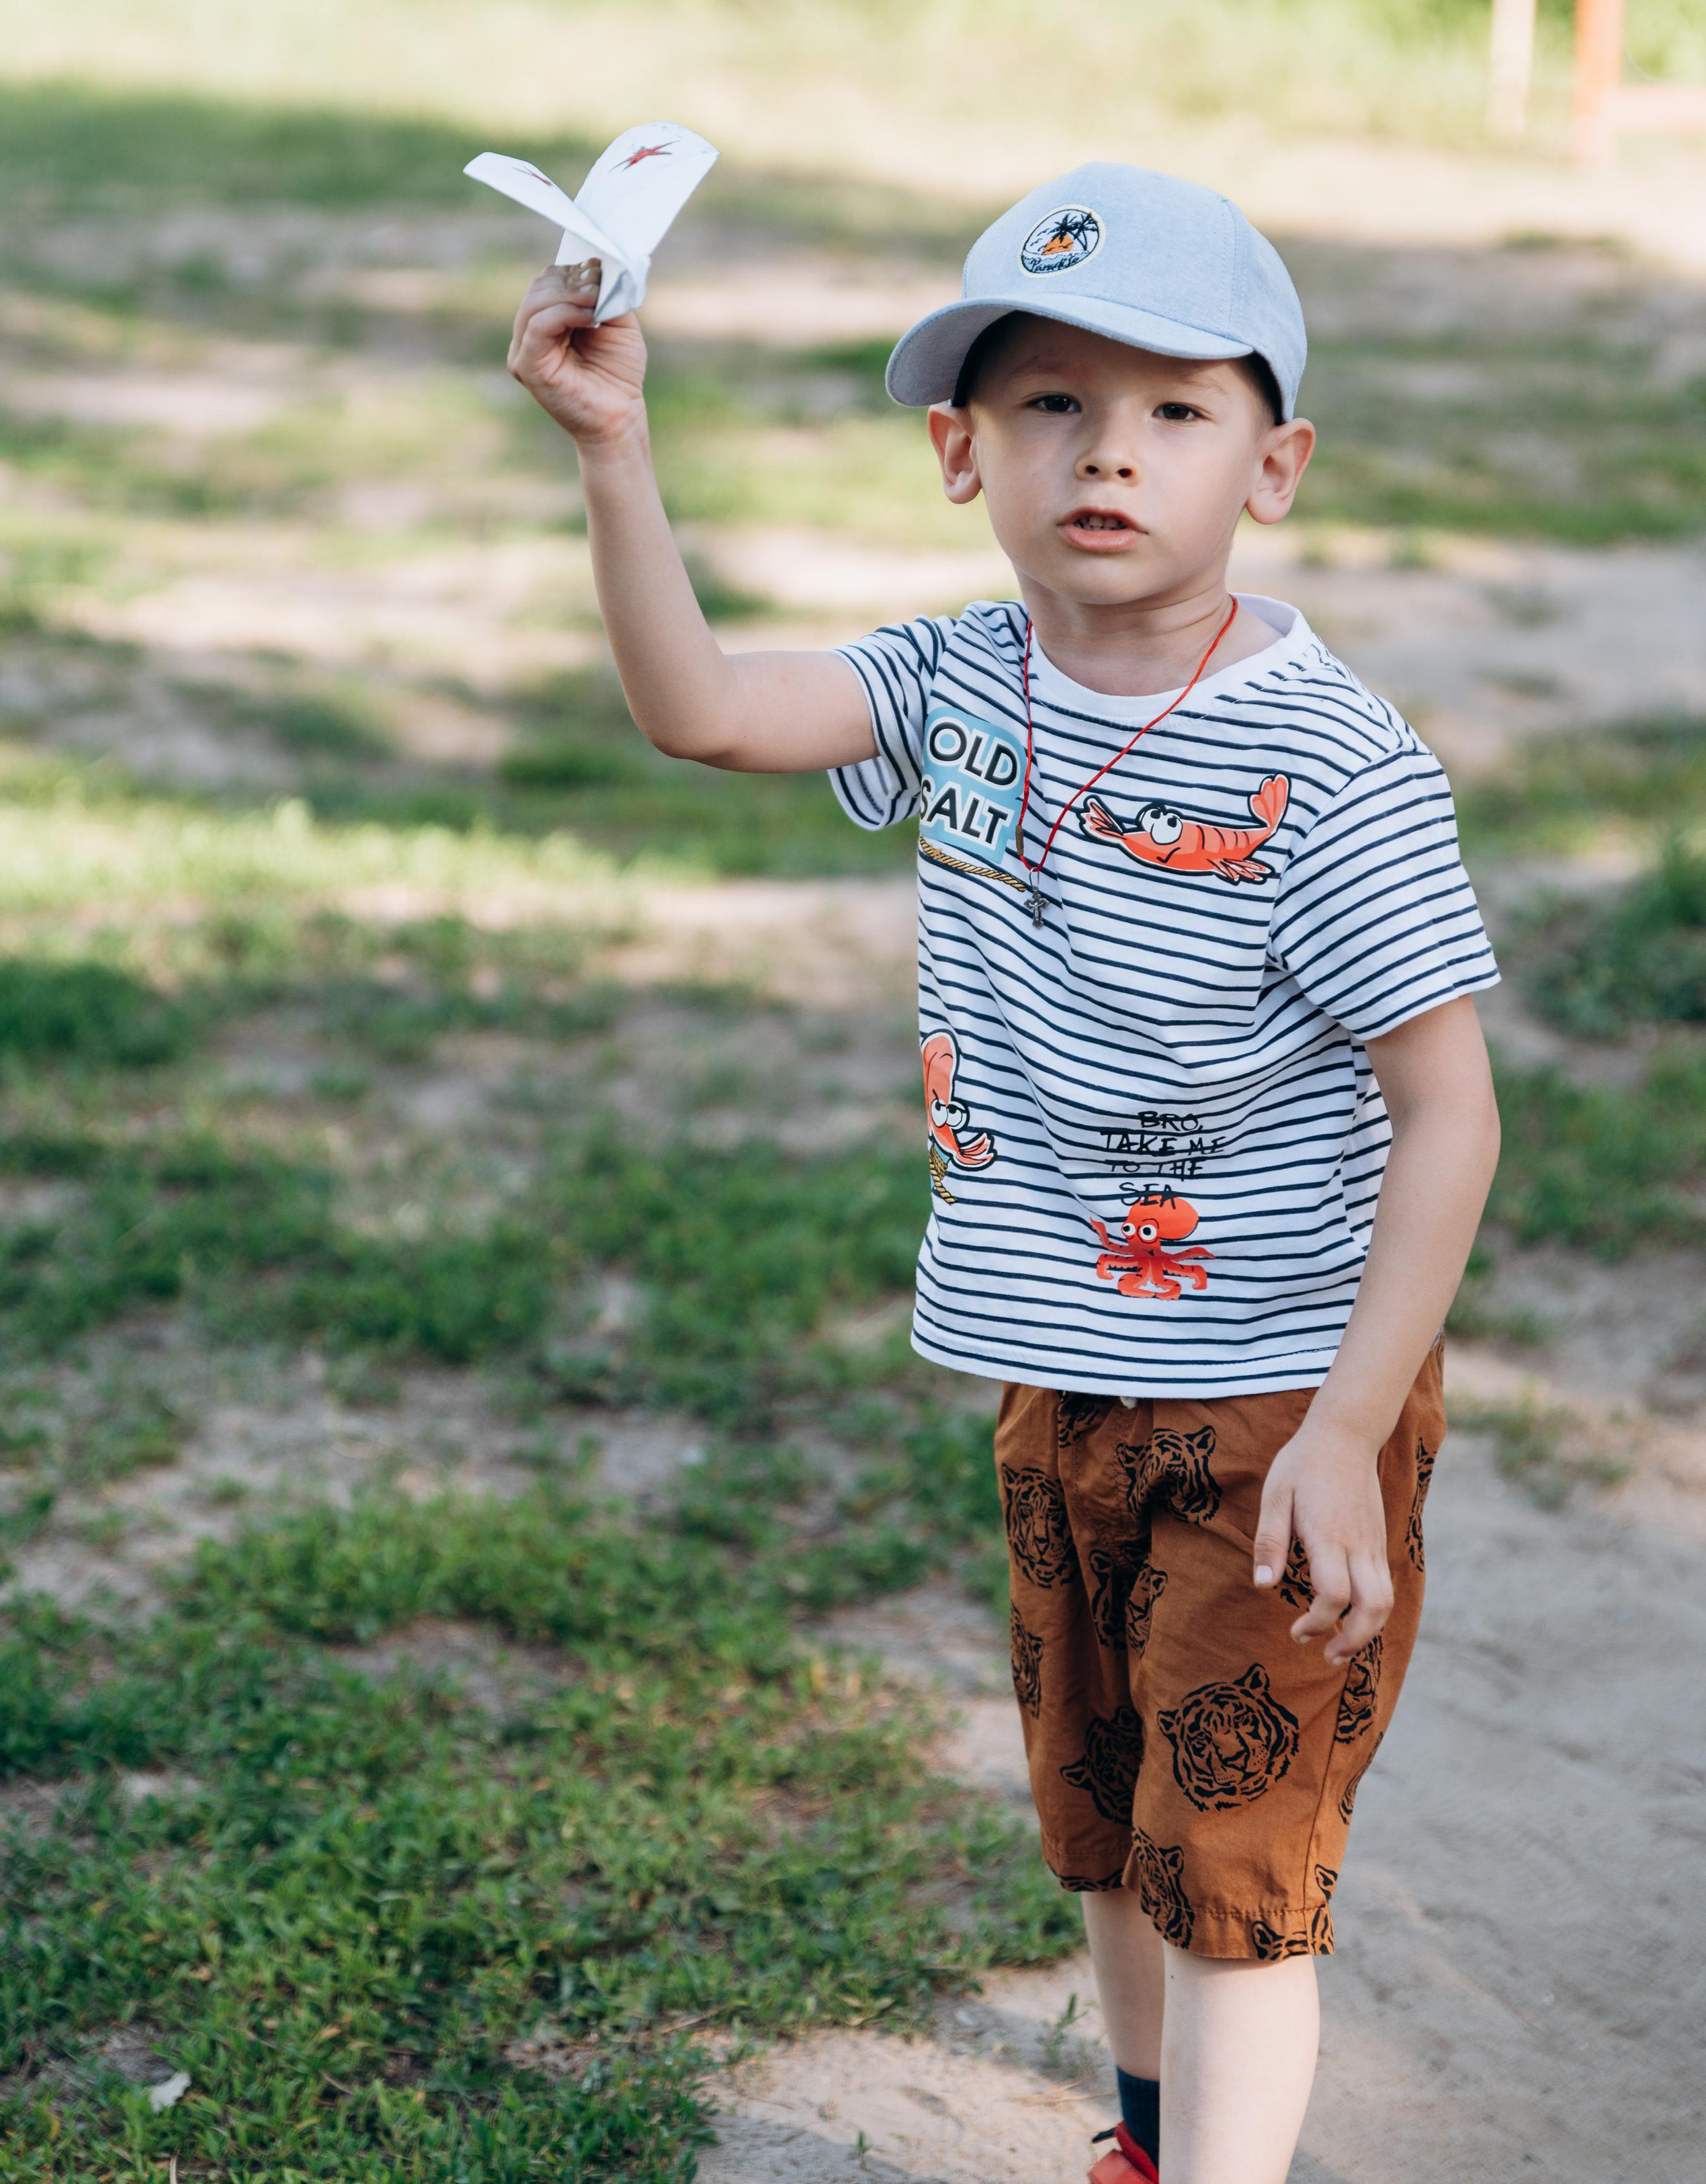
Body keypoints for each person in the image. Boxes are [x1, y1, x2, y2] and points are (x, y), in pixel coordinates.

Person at [506, 162, 1502, 2184]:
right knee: (1111, 1825)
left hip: (1280, 1410)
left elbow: (1451, 1109)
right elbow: (702, 712)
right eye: (1051, 404)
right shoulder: (965, 690)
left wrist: (1350, 1424)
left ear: (1275, 465)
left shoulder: (1331, 770)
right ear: (964, 453)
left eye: (1173, 410)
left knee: (1232, 1869)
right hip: (1070, 1379)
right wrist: (617, 451)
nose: (1107, 454)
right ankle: (1144, 2146)